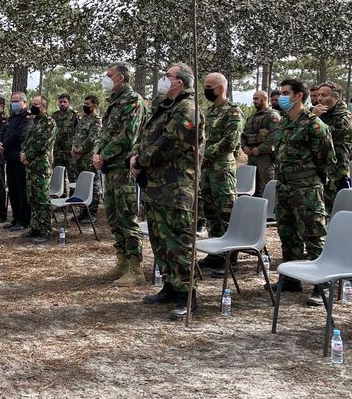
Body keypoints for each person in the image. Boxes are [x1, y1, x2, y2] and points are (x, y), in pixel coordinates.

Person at [131, 63, 203, 320]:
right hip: (156, 186)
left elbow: (169, 143)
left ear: (179, 82)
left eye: (168, 76)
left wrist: (141, 161)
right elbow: (144, 135)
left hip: (176, 187)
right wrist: (135, 155)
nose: (163, 79)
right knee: (161, 241)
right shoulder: (165, 108)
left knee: (179, 242)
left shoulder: (188, 109)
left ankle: (188, 296)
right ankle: (171, 286)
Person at [269, 78, 335, 307]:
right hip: (285, 186)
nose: (282, 96)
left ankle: (322, 283)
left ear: (299, 96)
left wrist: (309, 179)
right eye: (281, 93)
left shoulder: (314, 124)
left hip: (306, 187)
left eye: (286, 93)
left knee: (313, 235)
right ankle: (292, 278)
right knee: (287, 233)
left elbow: (327, 158)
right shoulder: (284, 122)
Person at [94, 62, 147, 286]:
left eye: (109, 75)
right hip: (110, 168)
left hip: (124, 168)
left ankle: (136, 269)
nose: (105, 79)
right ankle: (122, 262)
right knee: (114, 216)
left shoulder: (133, 100)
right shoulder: (113, 103)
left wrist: (103, 154)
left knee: (127, 216)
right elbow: (104, 132)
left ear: (120, 78)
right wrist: (97, 152)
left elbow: (127, 136)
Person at [198, 72, 244, 277]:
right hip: (207, 169)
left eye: (209, 86)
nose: (206, 90)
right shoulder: (210, 111)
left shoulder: (232, 111)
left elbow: (230, 141)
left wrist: (206, 154)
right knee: (210, 210)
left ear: (221, 88)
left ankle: (230, 259)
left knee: (226, 212)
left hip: (222, 169)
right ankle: (216, 253)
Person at [314, 82, 352, 214]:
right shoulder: (323, 114)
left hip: (335, 172)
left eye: (324, 95)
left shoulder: (344, 117)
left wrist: (314, 119)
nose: (319, 98)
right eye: (319, 95)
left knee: (333, 212)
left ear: (336, 97)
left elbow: (326, 136)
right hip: (319, 169)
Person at [20, 96, 56, 244]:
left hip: (42, 166)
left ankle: (46, 230)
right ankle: (36, 227)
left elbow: (43, 144)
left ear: (44, 106)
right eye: (32, 104)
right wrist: (23, 153)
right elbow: (27, 141)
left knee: (42, 198)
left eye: (36, 104)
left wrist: (27, 155)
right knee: (33, 197)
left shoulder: (49, 123)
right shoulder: (35, 122)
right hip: (31, 166)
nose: (33, 107)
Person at [0, 92, 33, 232]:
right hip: (10, 158)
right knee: (12, 190)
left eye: (16, 101)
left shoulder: (28, 117)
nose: (13, 103)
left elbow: (20, 134)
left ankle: (24, 220)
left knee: (22, 190)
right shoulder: (12, 117)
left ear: (24, 102)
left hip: (20, 158)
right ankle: (16, 218)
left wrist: (4, 144)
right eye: (12, 101)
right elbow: (3, 130)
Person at [242, 90, 280, 198]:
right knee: (251, 185)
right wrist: (244, 146)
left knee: (267, 186)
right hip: (251, 156)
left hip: (265, 157)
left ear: (264, 98)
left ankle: (269, 212)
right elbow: (244, 135)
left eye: (256, 99)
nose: (254, 101)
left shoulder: (272, 115)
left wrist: (260, 149)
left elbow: (276, 135)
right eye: (253, 99)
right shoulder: (251, 118)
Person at [71, 95, 102, 221]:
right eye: (84, 104)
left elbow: (92, 139)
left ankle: (92, 213)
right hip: (78, 157)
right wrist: (73, 148)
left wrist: (80, 150)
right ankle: (83, 211)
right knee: (82, 184)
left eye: (88, 104)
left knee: (92, 184)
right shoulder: (83, 119)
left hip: (88, 156)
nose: (85, 106)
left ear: (95, 105)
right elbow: (76, 135)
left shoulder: (96, 120)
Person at [51, 94, 79, 183]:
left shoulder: (75, 116)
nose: (62, 104)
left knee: (73, 176)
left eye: (65, 102)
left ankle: (73, 195)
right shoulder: (54, 116)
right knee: (58, 176)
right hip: (58, 150)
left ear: (69, 103)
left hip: (70, 151)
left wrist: (76, 148)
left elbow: (79, 133)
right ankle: (60, 195)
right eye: (60, 102)